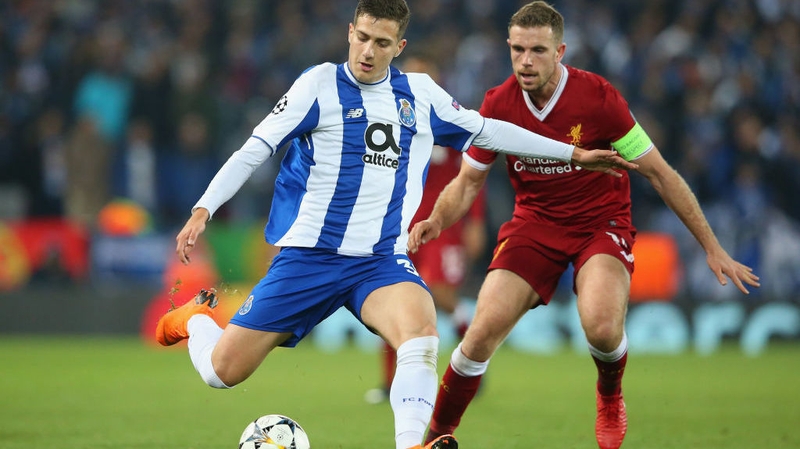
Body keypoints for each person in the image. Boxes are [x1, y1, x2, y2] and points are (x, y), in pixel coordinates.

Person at [155, 1, 635, 449]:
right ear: (350, 32)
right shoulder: (317, 85)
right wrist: (204, 209)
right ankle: (194, 320)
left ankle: (411, 445)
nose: (368, 51)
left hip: (379, 261)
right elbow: (255, 148)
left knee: (422, 334)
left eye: (382, 43)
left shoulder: (419, 95)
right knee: (222, 372)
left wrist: (573, 154)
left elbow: (489, 130)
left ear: (399, 46)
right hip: (309, 258)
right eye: (363, 38)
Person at [408, 3, 762, 449]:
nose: (526, 61)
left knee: (602, 328)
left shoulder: (599, 98)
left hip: (600, 223)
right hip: (534, 225)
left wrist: (711, 246)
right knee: (478, 335)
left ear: (560, 52)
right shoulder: (498, 104)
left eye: (538, 51)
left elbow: (660, 174)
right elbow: (467, 182)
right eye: (518, 50)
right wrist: (437, 220)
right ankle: (435, 438)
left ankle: (610, 395)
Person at [365, 56, 488, 406]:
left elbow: (472, 174)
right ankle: (390, 383)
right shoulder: (387, 117)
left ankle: (473, 361)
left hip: (441, 229)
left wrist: (475, 221)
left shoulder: (448, 118)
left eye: (423, 74)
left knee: (441, 295)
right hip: (398, 227)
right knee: (392, 300)